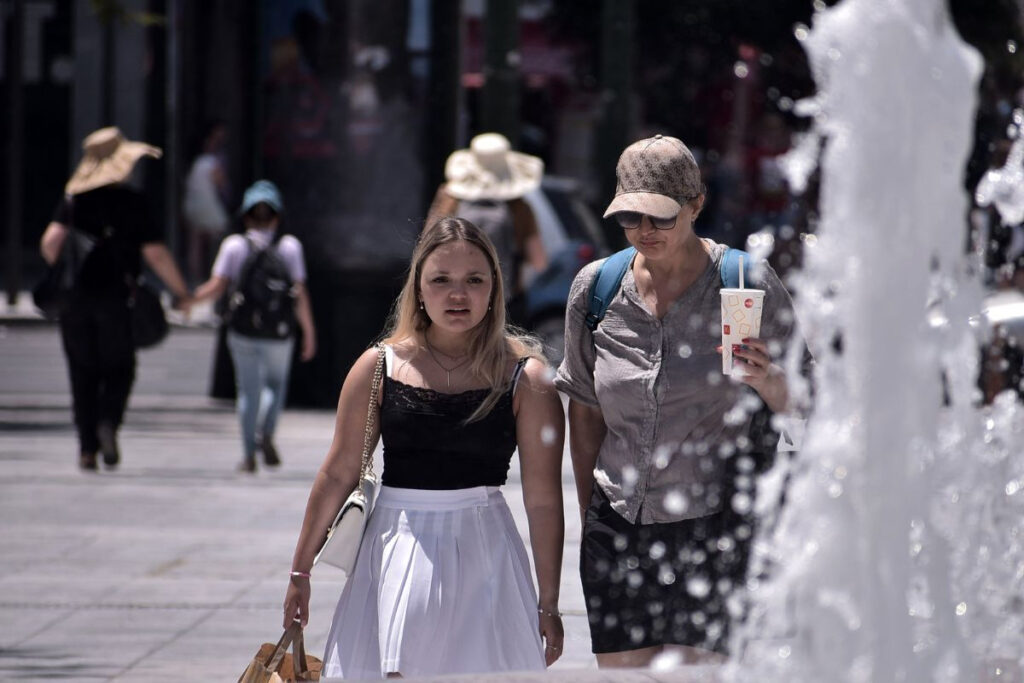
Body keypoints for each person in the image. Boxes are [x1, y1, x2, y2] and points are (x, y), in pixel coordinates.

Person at [282, 217, 566, 679]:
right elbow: (337, 473)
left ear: (495, 288)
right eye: (441, 280)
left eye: (474, 280)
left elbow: (543, 499)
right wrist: (300, 574)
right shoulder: (379, 366)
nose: (458, 295)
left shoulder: (527, 378)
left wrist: (549, 603)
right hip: (396, 539)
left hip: (486, 547)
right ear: (418, 288)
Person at [555, 134, 799, 667]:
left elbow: (814, 405)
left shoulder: (745, 284)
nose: (644, 232)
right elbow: (587, 409)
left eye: (661, 218)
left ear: (696, 206)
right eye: (630, 218)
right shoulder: (597, 288)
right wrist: (591, 512)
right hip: (618, 521)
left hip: (716, 523)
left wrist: (770, 380)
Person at [39, 126, 192, 471]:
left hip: (75, 300)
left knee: (82, 374)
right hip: (117, 299)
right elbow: (156, 255)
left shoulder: (73, 202)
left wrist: (71, 266)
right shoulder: (132, 202)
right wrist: (182, 293)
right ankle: (109, 421)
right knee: (120, 368)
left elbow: (50, 244)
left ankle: (87, 450)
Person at [192, 180, 317, 472]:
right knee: (275, 384)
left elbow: (217, 286)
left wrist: (187, 300)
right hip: (279, 329)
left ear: (246, 216)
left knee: (248, 391)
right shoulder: (290, 247)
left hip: (242, 328)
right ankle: (266, 432)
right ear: (277, 216)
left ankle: (248, 454)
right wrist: (309, 331)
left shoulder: (234, 246)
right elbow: (300, 293)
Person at [425, 133, 549, 321]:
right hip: (505, 304)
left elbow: (426, 247)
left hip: (453, 301)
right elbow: (539, 262)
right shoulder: (518, 207)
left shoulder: (449, 199)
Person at [182, 120, 231, 285]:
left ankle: (196, 278)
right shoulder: (211, 160)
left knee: (195, 243)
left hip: (191, 203)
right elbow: (221, 183)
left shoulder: (195, 159)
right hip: (207, 203)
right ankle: (217, 278)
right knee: (220, 239)